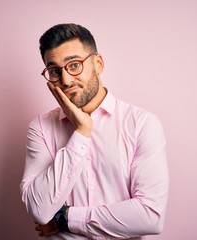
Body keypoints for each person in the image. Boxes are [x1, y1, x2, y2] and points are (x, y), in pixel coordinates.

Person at [20, 23, 169, 239]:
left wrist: (66, 219)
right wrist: (81, 131)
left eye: (74, 65)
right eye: (54, 71)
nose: (66, 80)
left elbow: (150, 216)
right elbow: (40, 210)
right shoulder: (41, 128)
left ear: (98, 63)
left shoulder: (141, 124)